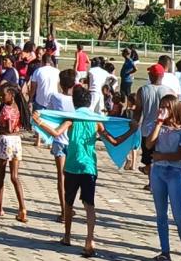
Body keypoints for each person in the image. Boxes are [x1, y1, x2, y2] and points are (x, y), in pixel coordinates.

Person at [32, 86, 138, 258]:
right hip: (89, 167)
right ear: (89, 103)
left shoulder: (72, 119)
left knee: (69, 203)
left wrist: (39, 122)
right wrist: (132, 129)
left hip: (72, 166)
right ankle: (90, 240)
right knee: (89, 205)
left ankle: (67, 236)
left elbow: (56, 133)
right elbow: (114, 141)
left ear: (74, 103)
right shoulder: (96, 121)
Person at [147, 93, 181, 260]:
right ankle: (165, 251)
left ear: (174, 109)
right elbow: (149, 144)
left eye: (167, 107)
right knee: (161, 214)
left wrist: (162, 156)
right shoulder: (157, 125)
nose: (163, 110)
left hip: (174, 173)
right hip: (158, 172)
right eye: (161, 106)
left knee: (179, 216)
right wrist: (158, 123)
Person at [0, 84, 29, 223]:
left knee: (0, 174)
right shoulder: (18, 107)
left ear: (11, 95)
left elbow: (9, 128)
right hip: (16, 141)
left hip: (5, 140)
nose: (0, 97)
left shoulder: (6, 109)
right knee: (14, 176)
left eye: (2, 95)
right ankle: (22, 208)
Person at [49, 68, 77, 223]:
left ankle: (63, 210)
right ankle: (69, 207)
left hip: (59, 139)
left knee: (61, 176)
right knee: (72, 177)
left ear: (60, 83)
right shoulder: (77, 99)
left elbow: (49, 113)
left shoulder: (55, 97)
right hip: (73, 141)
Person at [135, 64, 169, 181]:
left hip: (146, 129)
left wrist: (134, 125)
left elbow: (138, 111)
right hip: (163, 129)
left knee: (148, 158)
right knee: (159, 157)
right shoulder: (169, 91)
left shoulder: (143, 90)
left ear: (151, 75)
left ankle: (151, 181)